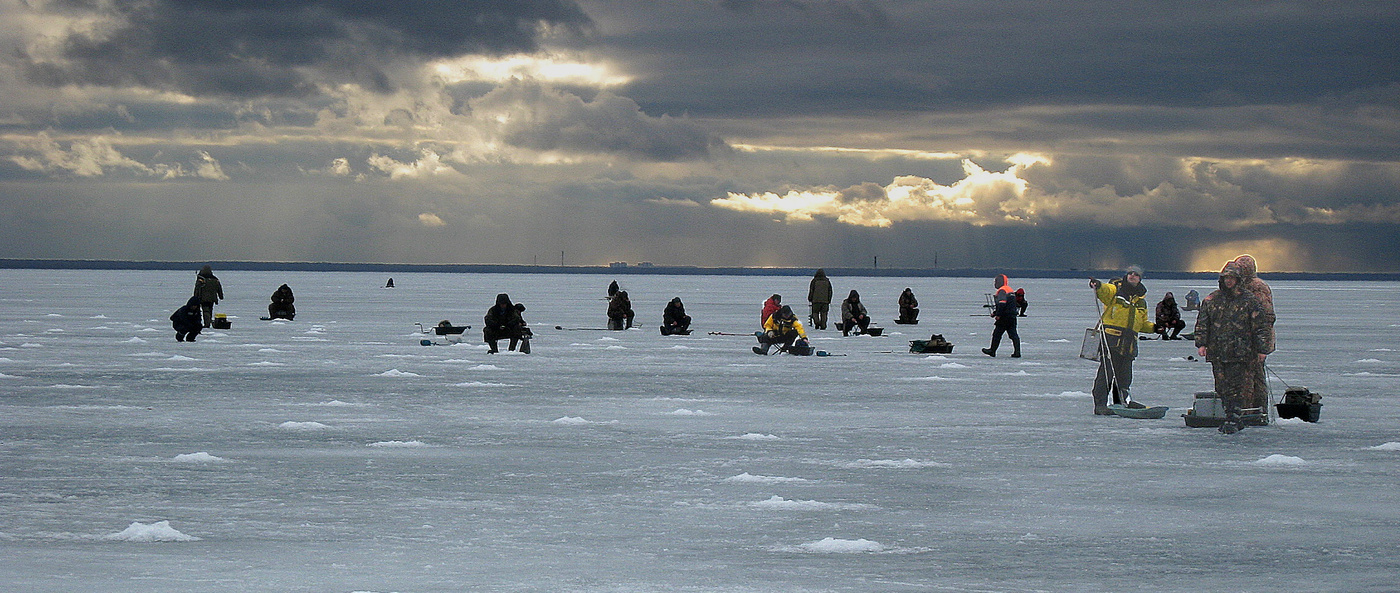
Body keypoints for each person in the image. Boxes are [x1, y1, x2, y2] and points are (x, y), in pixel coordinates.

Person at [1195, 259, 1273, 434]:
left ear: (1238, 279)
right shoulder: (1212, 299)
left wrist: (1262, 349)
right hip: (1217, 351)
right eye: (1226, 278)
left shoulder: (1249, 300)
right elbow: (1202, 323)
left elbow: (1260, 326)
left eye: (1232, 278)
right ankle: (1230, 414)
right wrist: (1201, 343)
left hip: (1241, 352)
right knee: (1221, 386)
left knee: (1238, 387)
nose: (1229, 281)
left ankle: (1234, 418)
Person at [1088, 265, 1156, 415]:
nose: (1132, 276)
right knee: (1106, 373)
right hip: (1111, 340)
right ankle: (1100, 405)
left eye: (1136, 274)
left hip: (1129, 344)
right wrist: (1098, 285)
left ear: (1140, 279)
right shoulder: (1116, 290)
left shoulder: (1140, 301)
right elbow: (1105, 290)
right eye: (1130, 273)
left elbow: (1142, 324)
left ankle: (1121, 402)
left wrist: (1156, 328)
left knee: (1125, 377)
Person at [1232, 254, 1276, 414]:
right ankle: (1250, 409)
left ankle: (1256, 411)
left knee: (1254, 378)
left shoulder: (1257, 286)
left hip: (1257, 342)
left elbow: (1266, 316)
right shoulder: (1240, 286)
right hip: (1246, 341)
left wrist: (1261, 344)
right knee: (1249, 378)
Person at [982, 289, 1021, 357]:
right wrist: (995, 313)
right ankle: (1017, 352)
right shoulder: (1011, 295)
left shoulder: (1002, 293)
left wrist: (997, 315)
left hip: (1004, 318)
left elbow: (1001, 306)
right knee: (1013, 335)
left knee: (997, 334)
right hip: (1012, 317)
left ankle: (992, 351)